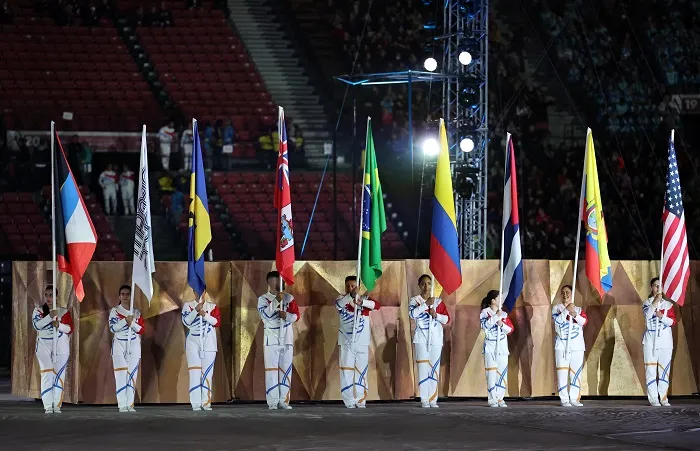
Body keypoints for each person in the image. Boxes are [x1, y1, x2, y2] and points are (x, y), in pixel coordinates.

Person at [335, 275, 381, 408]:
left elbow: (377, 305)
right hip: (346, 342)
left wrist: (362, 302)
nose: (350, 288)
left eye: (353, 286)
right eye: (348, 286)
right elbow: (338, 305)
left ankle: (361, 401)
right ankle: (349, 401)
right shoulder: (341, 299)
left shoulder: (365, 299)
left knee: (361, 371)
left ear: (358, 287)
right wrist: (350, 296)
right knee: (346, 371)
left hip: (362, 342)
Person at [257, 271, 300, 410]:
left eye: (283, 282)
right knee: (271, 371)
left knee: (286, 369)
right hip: (271, 340)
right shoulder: (263, 299)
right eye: (279, 281)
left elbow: (296, 316)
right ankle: (273, 402)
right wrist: (277, 301)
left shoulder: (290, 298)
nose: (282, 284)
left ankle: (284, 401)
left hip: (286, 339)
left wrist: (286, 315)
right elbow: (265, 315)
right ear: (271, 282)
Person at [408, 275, 450, 408]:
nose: (426, 287)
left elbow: (447, 319)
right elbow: (412, 314)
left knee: (434, 368)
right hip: (421, 338)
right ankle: (424, 399)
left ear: (432, 285)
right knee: (423, 369)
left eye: (429, 284)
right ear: (419, 285)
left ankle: (433, 399)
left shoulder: (438, 302)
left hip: (436, 339)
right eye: (423, 284)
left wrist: (436, 315)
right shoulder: (415, 300)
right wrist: (425, 305)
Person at [31, 285, 73, 414]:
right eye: (46, 295)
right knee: (47, 375)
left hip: (61, 346)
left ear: (56, 296)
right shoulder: (38, 310)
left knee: (59, 375)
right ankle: (48, 406)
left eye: (51, 295)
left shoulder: (63, 311)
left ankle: (57, 405)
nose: (48, 298)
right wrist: (50, 317)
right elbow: (37, 325)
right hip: (43, 346)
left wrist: (59, 325)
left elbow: (69, 329)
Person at [181, 290, 221, 411]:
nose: (199, 292)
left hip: (209, 344)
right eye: (196, 289)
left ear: (205, 291)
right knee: (194, 373)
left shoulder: (212, 306)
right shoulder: (187, 305)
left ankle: (206, 402)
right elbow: (186, 321)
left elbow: (217, 322)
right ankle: (196, 404)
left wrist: (204, 314)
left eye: (202, 290)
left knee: (207, 374)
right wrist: (195, 310)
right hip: (193, 343)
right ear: (193, 290)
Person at [108, 285, 144, 412]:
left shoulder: (136, 312)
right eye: (122, 294)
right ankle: (122, 405)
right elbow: (112, 328)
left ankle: (130, 404)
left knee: (132, 376)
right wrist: (124, 322)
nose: (125, 296)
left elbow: (141, 329)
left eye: (127, 294)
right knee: (121, 376)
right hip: (119, 346)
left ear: (131, 296)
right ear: (119, 296)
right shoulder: (114, 311)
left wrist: (132, 323)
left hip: (134, 345)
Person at [642, 277, 677, 407]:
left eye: (659, 286)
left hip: (666, 343)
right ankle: (653, 399)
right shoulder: (646, 303)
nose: (657, 288)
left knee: (664, 372)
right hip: (650, 342)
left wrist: (662, 316)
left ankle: (663, 398)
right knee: (650, 372)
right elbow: (647, 315)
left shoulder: (669, 305)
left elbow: (672, 321)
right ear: (651, 288)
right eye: (655, 286)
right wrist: (654, 303)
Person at [552, 284, 587, 407]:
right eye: (563, 292)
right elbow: (557, 322)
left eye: (567, 292)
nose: (565, 295)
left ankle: (574, 398)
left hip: (577, 345)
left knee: (576, 372)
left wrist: (574, 313)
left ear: (572, 294)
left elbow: (583, 322)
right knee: (562, 372)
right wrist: (566, 310)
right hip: (562, 345)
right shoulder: (556, 308)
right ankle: (564, 399)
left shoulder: (578, 309)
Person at [479, 290, 514, 407]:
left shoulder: (504, 314)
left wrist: (502, 324)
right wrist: (495, 317)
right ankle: (492, 399)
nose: (502, 301)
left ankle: (500, 398)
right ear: (493, 300)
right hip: (490, 347)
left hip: (502, 348)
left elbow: (510, 330)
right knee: (491, 374)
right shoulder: (485, 312)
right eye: (500, 298)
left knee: (502, 374)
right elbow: (485, 325)